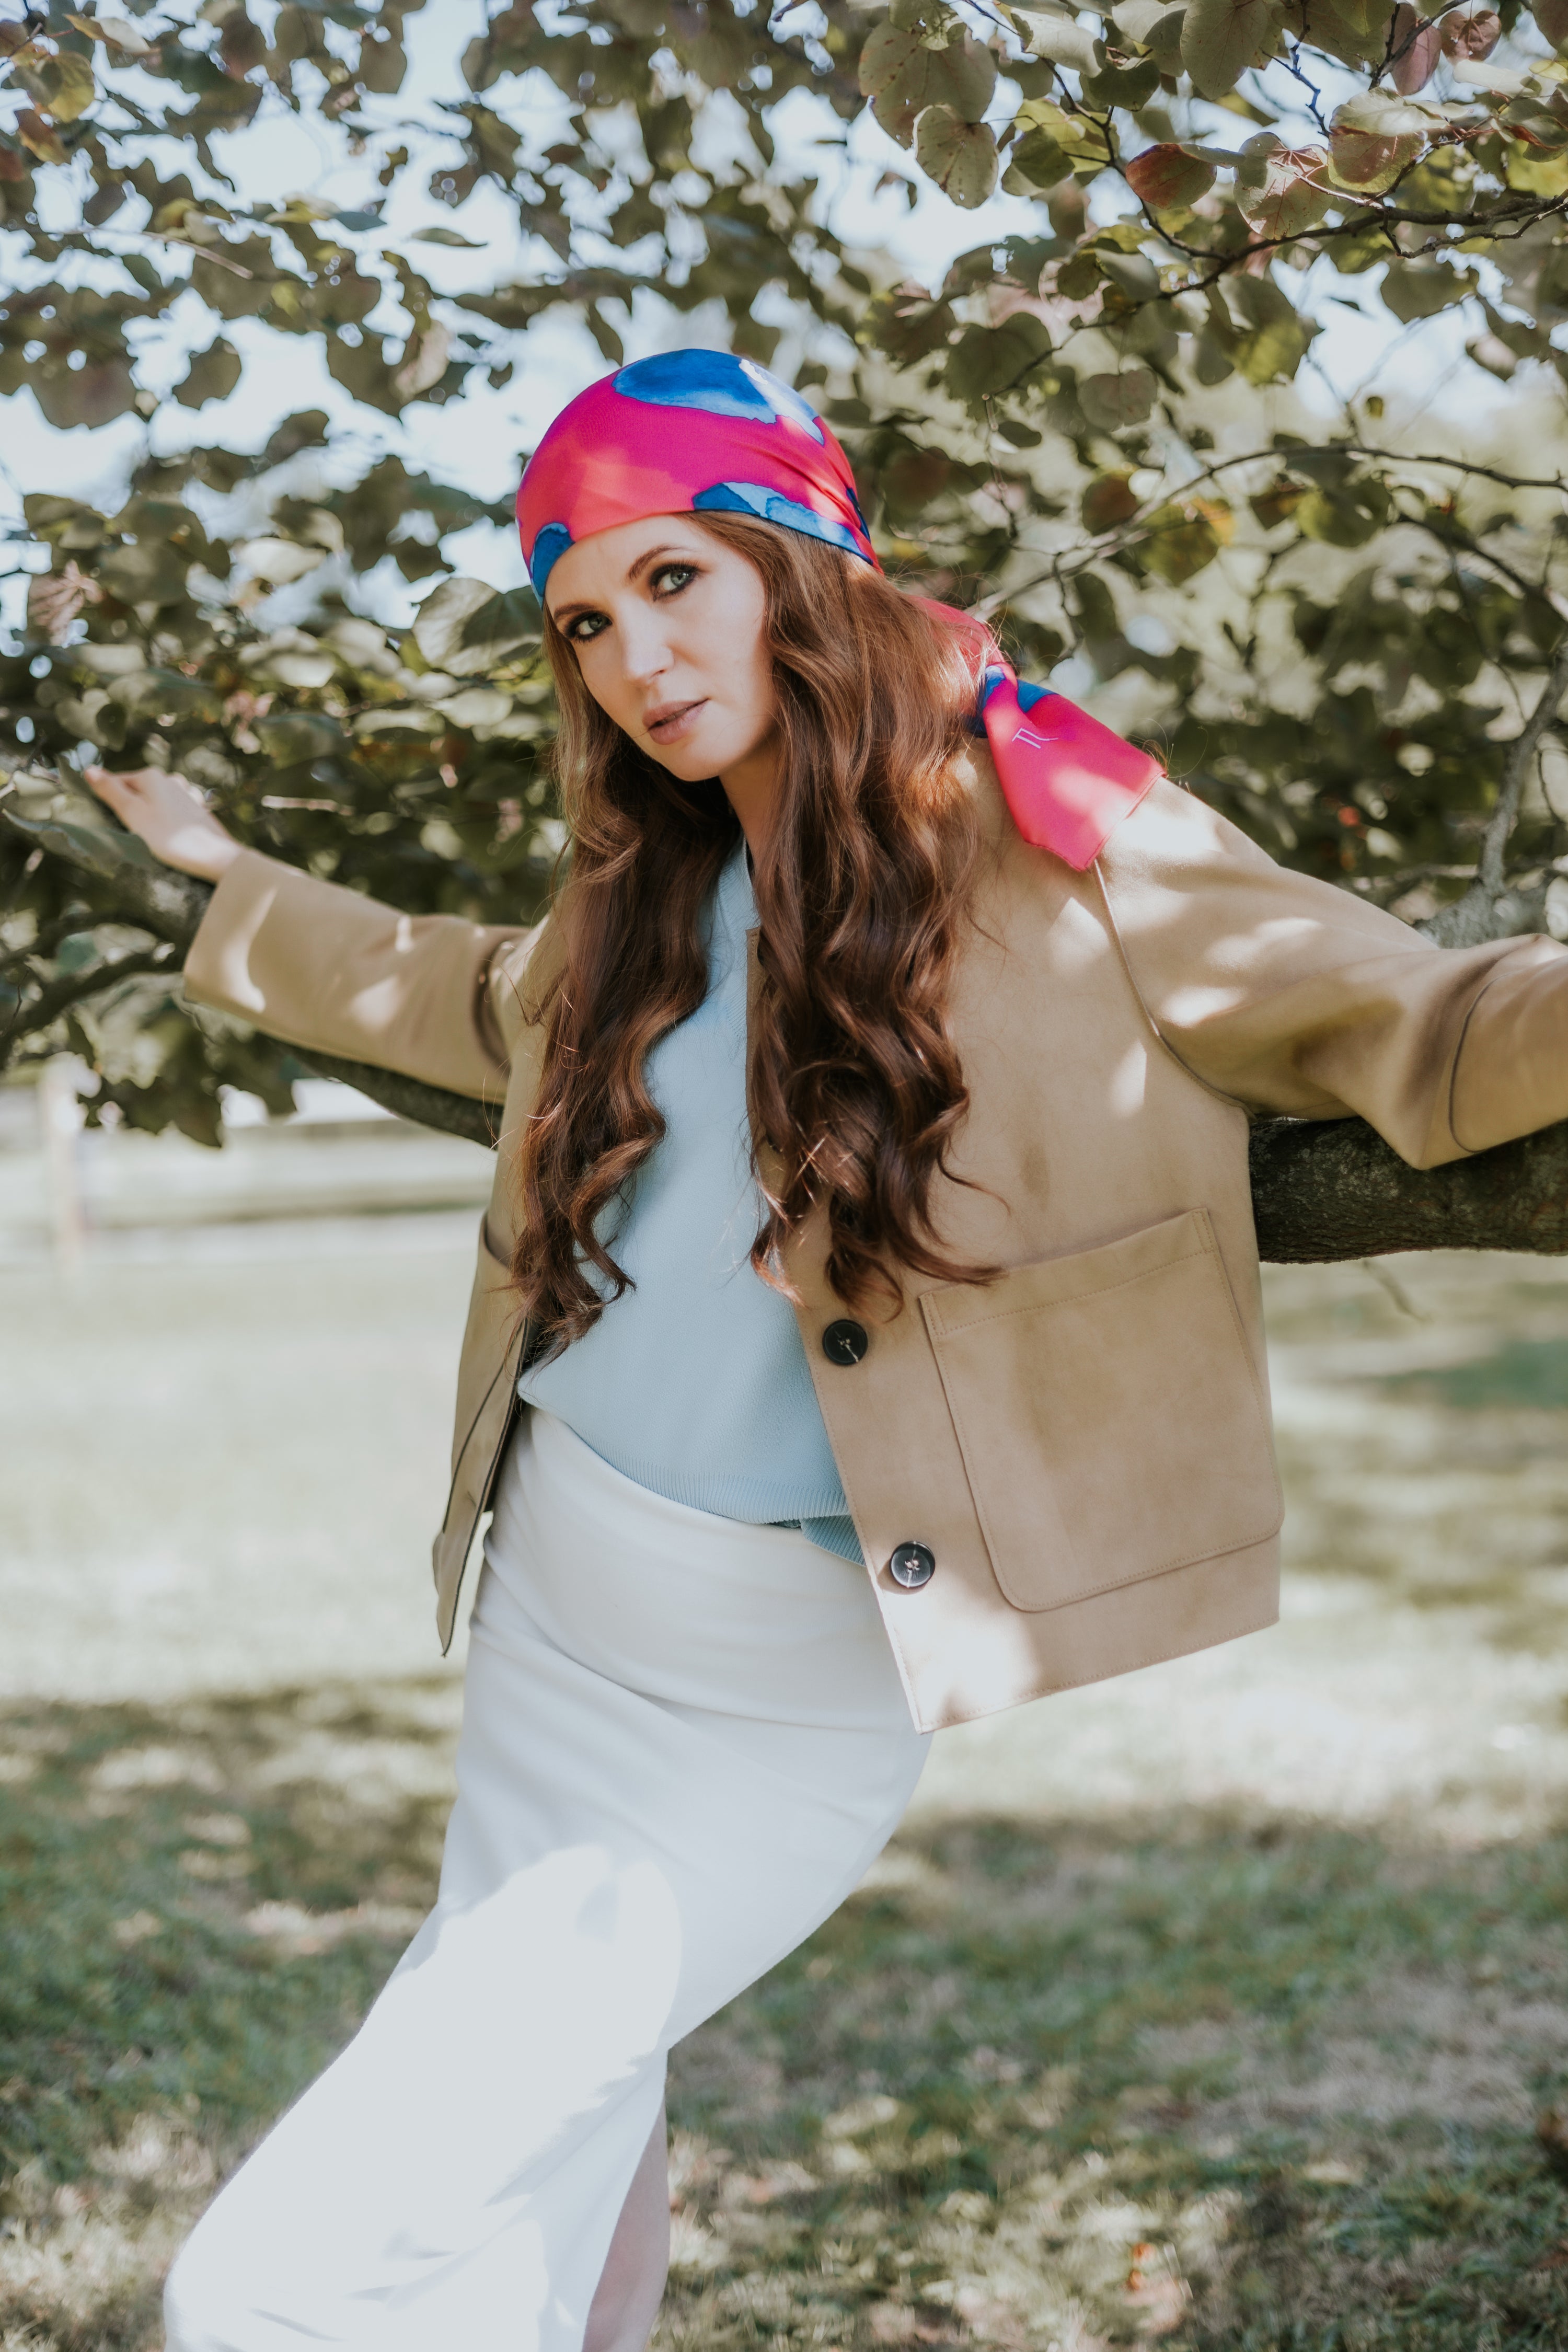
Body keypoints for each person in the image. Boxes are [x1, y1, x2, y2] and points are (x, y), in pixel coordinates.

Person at [86, 349, 1568, 2351]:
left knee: (280, 2276)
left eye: (671, 580)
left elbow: (1412, 1015)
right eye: (583, 624)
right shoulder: (648, 880)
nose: (633, 659)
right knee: (553, 2153)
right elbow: (462, 996)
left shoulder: (1070, 835)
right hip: (556, 1602)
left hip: (782, 1690)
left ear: (797, 560)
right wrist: (226, 887)